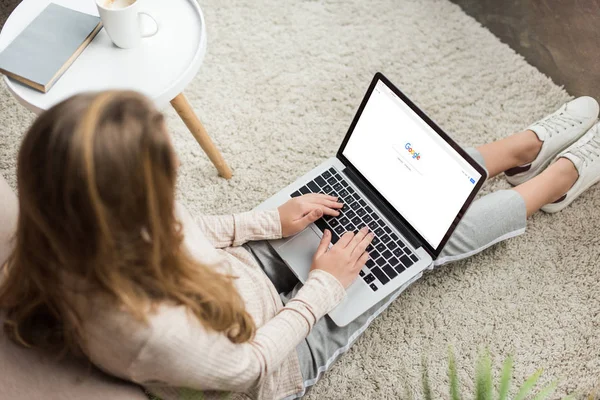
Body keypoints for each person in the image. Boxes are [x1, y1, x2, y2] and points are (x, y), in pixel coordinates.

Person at [0, 91, 598, 400]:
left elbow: (192, 230)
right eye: (166, 166)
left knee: (373, 189)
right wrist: (323, 287)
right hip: (281, 350)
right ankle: (555, 182)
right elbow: (246, 368)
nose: (177, 166)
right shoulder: (147, 330)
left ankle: (510, 152)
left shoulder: (77, 216)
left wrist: (269, 221)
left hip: (239, 277)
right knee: (415, 242)